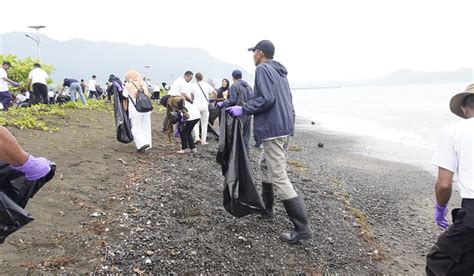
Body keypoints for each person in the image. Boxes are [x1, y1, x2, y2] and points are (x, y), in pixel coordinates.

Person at [226, 40, 312, 244]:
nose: (252, 55)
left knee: (279, 175)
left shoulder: (263, 69)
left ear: (259, 53)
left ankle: (302, 228)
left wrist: (243, 109)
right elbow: (288, 102)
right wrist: (289, 129)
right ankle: (267, 208)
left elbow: (266, 99)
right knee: (264, 164)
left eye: (253, 52)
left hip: (273, 128)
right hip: (282, 126)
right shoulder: (280, 73)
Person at [425, 84, 474, 275]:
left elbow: (444, 184)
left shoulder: (454, 131)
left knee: (439, 264)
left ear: (463, 107)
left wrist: (441, 208)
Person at [217, 70, 253, 150]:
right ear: (241, 76)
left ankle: (236, 157)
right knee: (246, 136)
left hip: (238, 113)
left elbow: (232, 100)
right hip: (248, 112)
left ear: (233, 77)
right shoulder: (248, 86)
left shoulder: (234, 85)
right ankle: (245, 157)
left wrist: (223, 103)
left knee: (237, 135)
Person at [122, 70, 152, 152]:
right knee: (145, 127)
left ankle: (142, 144)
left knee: (135, 128)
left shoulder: (128, 85)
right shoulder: (143, 84)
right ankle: (148, 143)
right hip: (146, 108)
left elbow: (124, 96)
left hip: (135, 109)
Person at [192, 72, 216, 145]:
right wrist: (212, 99)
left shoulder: (194, 85)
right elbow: (215, 93)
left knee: (196, 122)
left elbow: (191, 95)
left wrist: (193, 100)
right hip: (205, 106)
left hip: (196, 106)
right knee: (204, 124)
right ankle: (203, 141)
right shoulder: (207, 85)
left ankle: (196, 138)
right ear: (202, 78)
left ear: (196, 78)